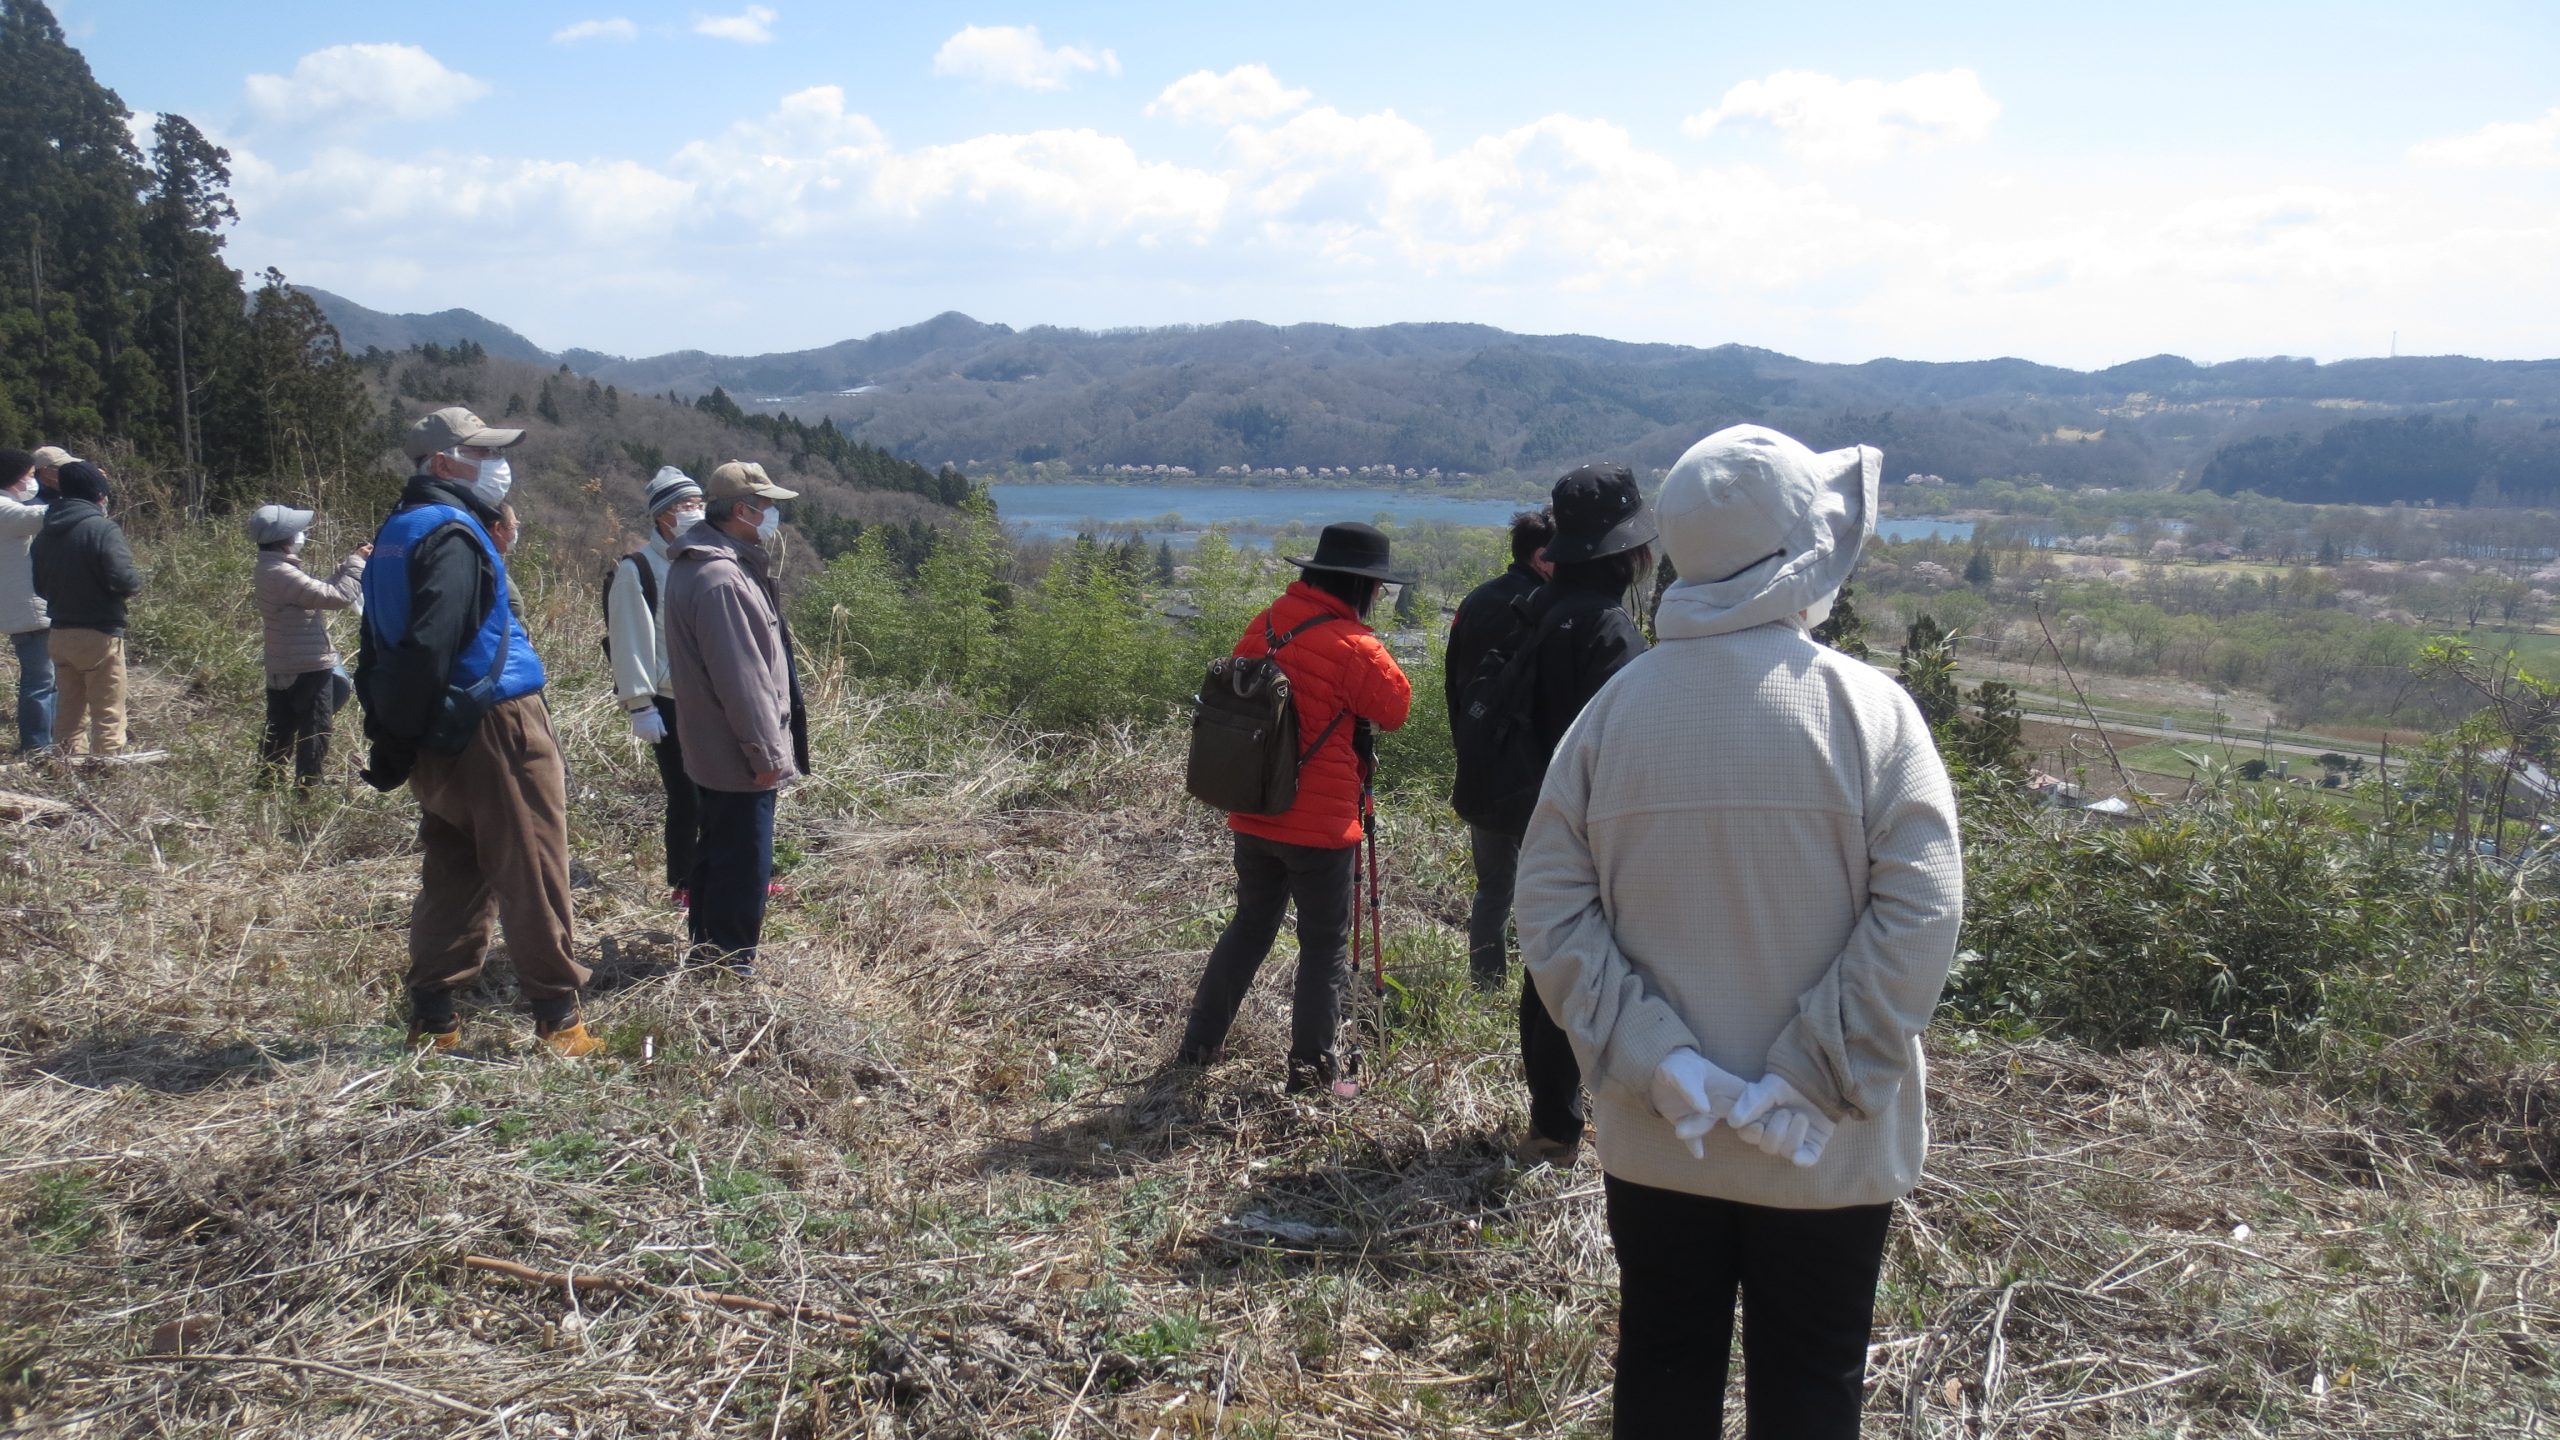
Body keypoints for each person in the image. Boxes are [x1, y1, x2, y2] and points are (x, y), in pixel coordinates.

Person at [1516, 425, 1963, 1439]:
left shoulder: (1614, 715)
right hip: (1829, 1146)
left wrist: (1652, 1055)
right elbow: (1922, 913)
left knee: (1663, 1373)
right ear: (1804, 558)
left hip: (1660, 1136)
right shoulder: (1871, 713)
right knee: (1811, 1386)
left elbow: (1548, 907)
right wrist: (1811, 1072)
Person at [357, 406, 598, 1057]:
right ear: (445, 463)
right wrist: (399, 734)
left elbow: (379, 643)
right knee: (535, 863)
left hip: (437, 734)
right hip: (493, 723)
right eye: (485, 453)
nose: (500, 466)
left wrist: (392, 737)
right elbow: (434, 642)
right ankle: (559, 1021)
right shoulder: (455, 534)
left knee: (454, 871)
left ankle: (434, 1020)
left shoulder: (396, 531)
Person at [1175, 521, 1414, 1098]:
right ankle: (1310, 1076)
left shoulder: (1267, 624)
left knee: (1249, 929)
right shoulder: (1356, 647)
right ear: (1360, 586)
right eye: (1377, 587)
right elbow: (1396, 706)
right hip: (1321, 827)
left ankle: (1196, 1049)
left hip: (1255, 810)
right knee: (1324, 948)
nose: (1379, 595)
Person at [1495, 466, 1656, 1168]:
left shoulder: (1545, 607)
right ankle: (1566, 1124)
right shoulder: (1608, 630)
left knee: (1545, 962)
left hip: (1538, 810)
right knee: (1576, 969)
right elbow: (1632, 747)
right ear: (1627, 554)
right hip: (1594, 821)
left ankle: (1553, 1119)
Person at [662, 461, 807, 976]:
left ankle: (707, 952)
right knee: (743, 863)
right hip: (737, 753)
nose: (770, 515)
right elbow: (742, 679)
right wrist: (767, 755)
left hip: (712, 746)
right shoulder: (722, 578)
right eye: (765, 506)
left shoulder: (701, 563)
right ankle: (728, 966)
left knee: (717, 852)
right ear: (742, 511)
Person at [1446, 508, 1554, 991]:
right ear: (1542, 557)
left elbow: (1454, 685)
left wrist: (1466, 749)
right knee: (1549, 889)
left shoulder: (1473, 603)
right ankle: (1546, 992)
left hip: (1480, 771)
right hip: (1533, 778)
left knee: (1493, 889)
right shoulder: (1546, 607)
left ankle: (1486, 987)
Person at [610, 467, 709, 906]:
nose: (697, 511)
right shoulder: (639, 569)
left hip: (712, 697)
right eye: (688, 506)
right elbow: (629, 637)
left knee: (722, 791)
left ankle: (730, 872)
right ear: (664, 516)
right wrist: (639, 704)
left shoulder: (705, 556)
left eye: (699, 503)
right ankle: (686, 883)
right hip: (669, 700)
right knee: (685, 794)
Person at [247, 504, 368, 784]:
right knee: (315, 729)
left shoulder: (271, 569)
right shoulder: (281, 572)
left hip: (284, 662)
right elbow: (337, 597)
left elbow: (315, 594)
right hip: (308, 665)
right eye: (298, 531)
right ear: (285, 538)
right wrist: (357, 563)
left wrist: (346, 566)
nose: (302, 535)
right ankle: (307, 792)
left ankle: (267, 785)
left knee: (280, 729)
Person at [29, 461, 141, 758]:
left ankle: (68, 767)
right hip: (99, 632)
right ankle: (108, 774)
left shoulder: (44, 534)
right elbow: (123, 578)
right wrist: (132, 587)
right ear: (98, 495)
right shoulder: (102, 529)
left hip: (59, 634)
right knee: (108, 711)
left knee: (69, 709)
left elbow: (39, 587)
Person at [0, 450, 52, 753]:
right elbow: (48, 516)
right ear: (14, 477)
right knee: (40, 681)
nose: (33, 481)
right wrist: (87, 490)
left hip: (24, 607)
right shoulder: (6, 511)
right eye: (31, 475)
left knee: (45, 680)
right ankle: (36, 747)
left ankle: (45, 742)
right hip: (28, 610)